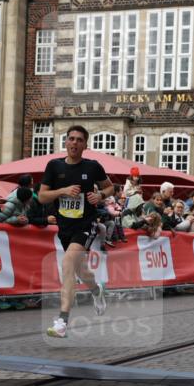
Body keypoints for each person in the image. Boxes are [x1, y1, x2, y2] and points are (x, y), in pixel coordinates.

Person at [38, 125, 113, 339]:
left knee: (68, 263)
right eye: (71, 139)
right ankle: (96, 290)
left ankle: (62, 321)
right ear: (66, 142)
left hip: (85, 224)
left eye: (79, 140)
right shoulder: (54, 166)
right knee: (81, 271)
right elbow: (42, 197)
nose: (74, 143)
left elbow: (110, 188)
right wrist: (62, 190)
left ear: (85, 145)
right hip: (64, 227)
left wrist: (100, 196)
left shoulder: (92, 167)